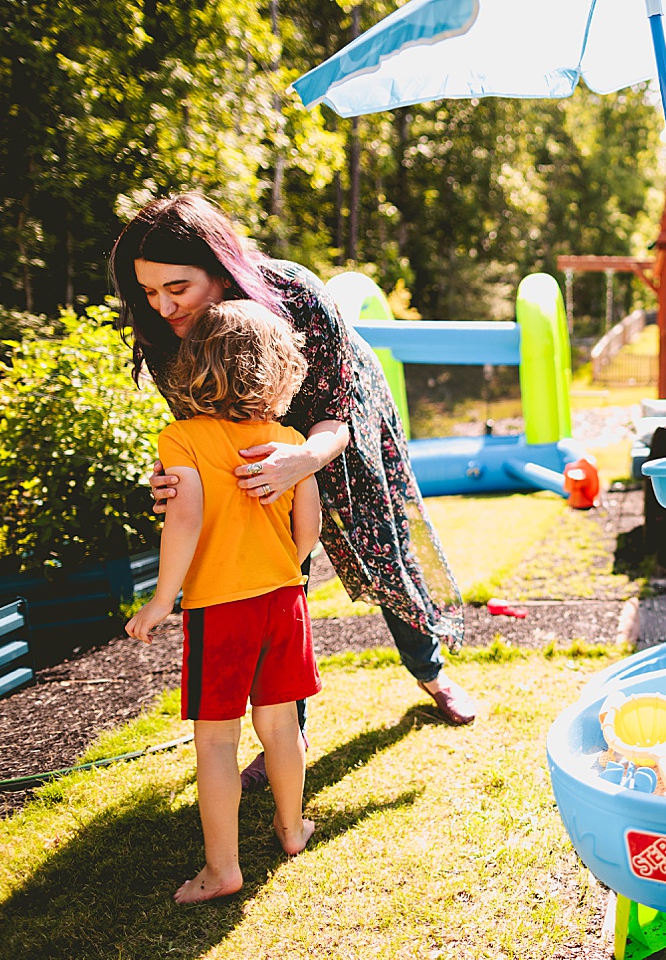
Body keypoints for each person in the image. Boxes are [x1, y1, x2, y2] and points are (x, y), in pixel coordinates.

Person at [110, 193, 480, 788]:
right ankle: (288, 734)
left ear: (220, 268)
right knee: (276, 577)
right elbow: (202, 429)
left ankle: (431, 674)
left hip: (339, 429)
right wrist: (180, 481)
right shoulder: (165, 332)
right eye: (149, 292)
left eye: (176, 287)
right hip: (259, 453)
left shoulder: (295, 296)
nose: (163, 305)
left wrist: (300, 460)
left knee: (384, 550)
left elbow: (337, 414)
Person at [125, 300, 321, 903]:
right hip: (285, 598)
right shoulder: (288, 441)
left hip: (221, 607)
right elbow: (309, 526)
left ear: (195, 369)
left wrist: (162, 599)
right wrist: (288, 566)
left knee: (216, 741)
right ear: (277, 371)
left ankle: (223, 869)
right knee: (280, 727)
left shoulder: (181, 437)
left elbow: (182, 519)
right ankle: (292, 831)